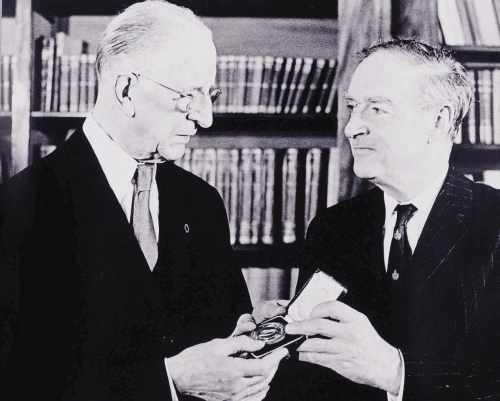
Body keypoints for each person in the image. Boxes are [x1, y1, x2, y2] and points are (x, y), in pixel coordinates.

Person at [0, 2, 287, 400]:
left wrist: (247, 340)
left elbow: (218, 330)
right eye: (188, 95)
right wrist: (169, 381)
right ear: (126, 89)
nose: (205, 119)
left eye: (210, 95)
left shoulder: (200, 202)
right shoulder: (19, 209)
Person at [270, 39, 500, 401]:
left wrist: (397, 373)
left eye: (376, 109)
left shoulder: (494, 224)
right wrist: (267, 352)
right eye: (351, 107)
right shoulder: (332, 228)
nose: (351, 128)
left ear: (439, 120)